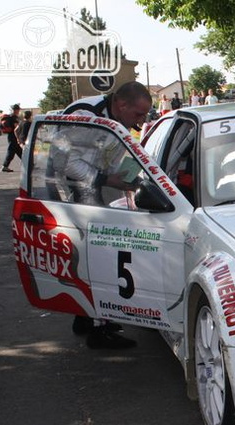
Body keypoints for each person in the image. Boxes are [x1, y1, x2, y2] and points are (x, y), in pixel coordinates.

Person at [62, 81, 153, 349]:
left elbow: (110, 155)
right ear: (121, 105)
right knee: (96, 258)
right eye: (138, 114)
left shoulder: (114, 117)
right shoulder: (86, 117)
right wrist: (107, 179)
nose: (142, 120)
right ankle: (97, 330)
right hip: (78, 191)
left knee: (94, 256)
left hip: (94, 187)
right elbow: (69, 163)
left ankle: (86, 317)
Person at [0, 104, 22, 172]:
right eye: (18, 109)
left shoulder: (10, 117)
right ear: (15, 110)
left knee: (20, 151)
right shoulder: (14, 117)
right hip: (14, 136)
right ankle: (5, 166)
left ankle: (29, 164)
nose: (18, 111)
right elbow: (16, 127)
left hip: (11, 136)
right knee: (11, 152)